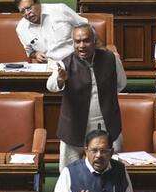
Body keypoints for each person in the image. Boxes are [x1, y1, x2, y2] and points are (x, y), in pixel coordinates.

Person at [47, 23, 127, 171]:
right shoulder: (65, 63)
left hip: (107, 124)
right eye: (77, 42)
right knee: (68, 172)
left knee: (113, 170)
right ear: (73, 43)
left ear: (95, 41)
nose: (81, 45)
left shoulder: (111, 59)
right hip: (74, 127)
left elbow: (121, 84)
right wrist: (60, 79)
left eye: (86, 41)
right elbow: (51, 86)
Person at [15, 0, 88, 63]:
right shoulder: (21, 28)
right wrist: (36, 54)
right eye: (22, 11)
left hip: (75, 61)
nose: (27, 13)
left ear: (38, 2)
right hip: (48, 66)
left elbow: (87, 27)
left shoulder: (60, 9)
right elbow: (30, 52)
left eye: (28, 8)